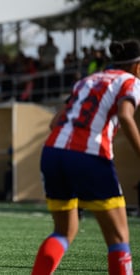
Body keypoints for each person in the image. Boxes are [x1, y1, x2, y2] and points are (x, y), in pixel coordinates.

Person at [31, 39, 140, 275]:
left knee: (63, 231)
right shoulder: (130, 81)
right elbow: (126, 116)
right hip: (89, 156)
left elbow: (54, 123)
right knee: (119, 237)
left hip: (52, 153)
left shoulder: (87, 81)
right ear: (137, 66)